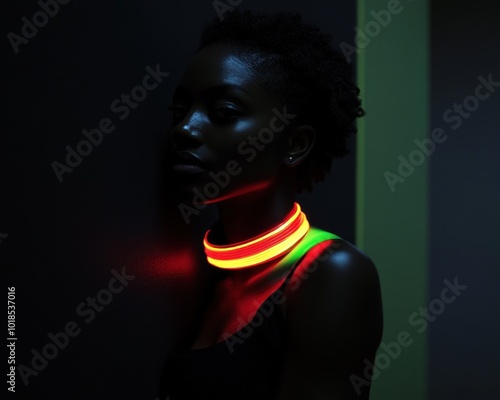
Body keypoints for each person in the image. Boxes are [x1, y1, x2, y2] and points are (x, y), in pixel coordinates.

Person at [160, 9, 383, 400]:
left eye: (223, 113)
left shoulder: (332, 273)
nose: (185, 129)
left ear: (295, 144)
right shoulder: (212, 275)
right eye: (180, 113)